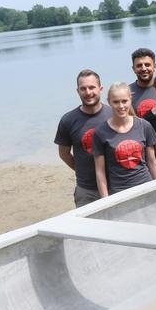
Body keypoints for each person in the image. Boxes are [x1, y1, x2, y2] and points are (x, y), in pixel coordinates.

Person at [54, 69, 112, 207]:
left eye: (92, 87)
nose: (88, 92)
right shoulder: (68, 120)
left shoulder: (113, 114)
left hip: (115, 185)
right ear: (77, 91)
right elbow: (64, 153)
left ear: (101, 88)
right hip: (86, 190)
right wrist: (80, 170)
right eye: (83, 89)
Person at [92, 82, 156, 196]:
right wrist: (106, 200)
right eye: (116, 102)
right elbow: (100, 171)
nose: (121, 106)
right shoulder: (100, 132)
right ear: (109, 102)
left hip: (146, 187)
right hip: (119, 192)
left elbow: (152, 161)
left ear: (130, 100)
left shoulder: (144, 126)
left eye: (124, 101)